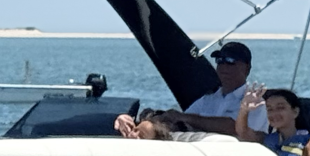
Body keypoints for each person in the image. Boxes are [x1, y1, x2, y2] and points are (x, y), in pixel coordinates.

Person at [114, 42, 268, 138]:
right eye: (219, 61)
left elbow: (233, 127)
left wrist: (186, 118)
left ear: (246, 67)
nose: (223, 66)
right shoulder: (208, 99)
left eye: (230, 61)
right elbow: (179, 119)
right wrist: (135, 121)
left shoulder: (255, 101)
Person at [236, 86, 310, 156]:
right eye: (270, 109)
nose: (274, 113)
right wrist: (244, 109)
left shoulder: (308, 142)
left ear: (295, 112)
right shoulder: (265, 139)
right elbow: (243, 132)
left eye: (280, 108)